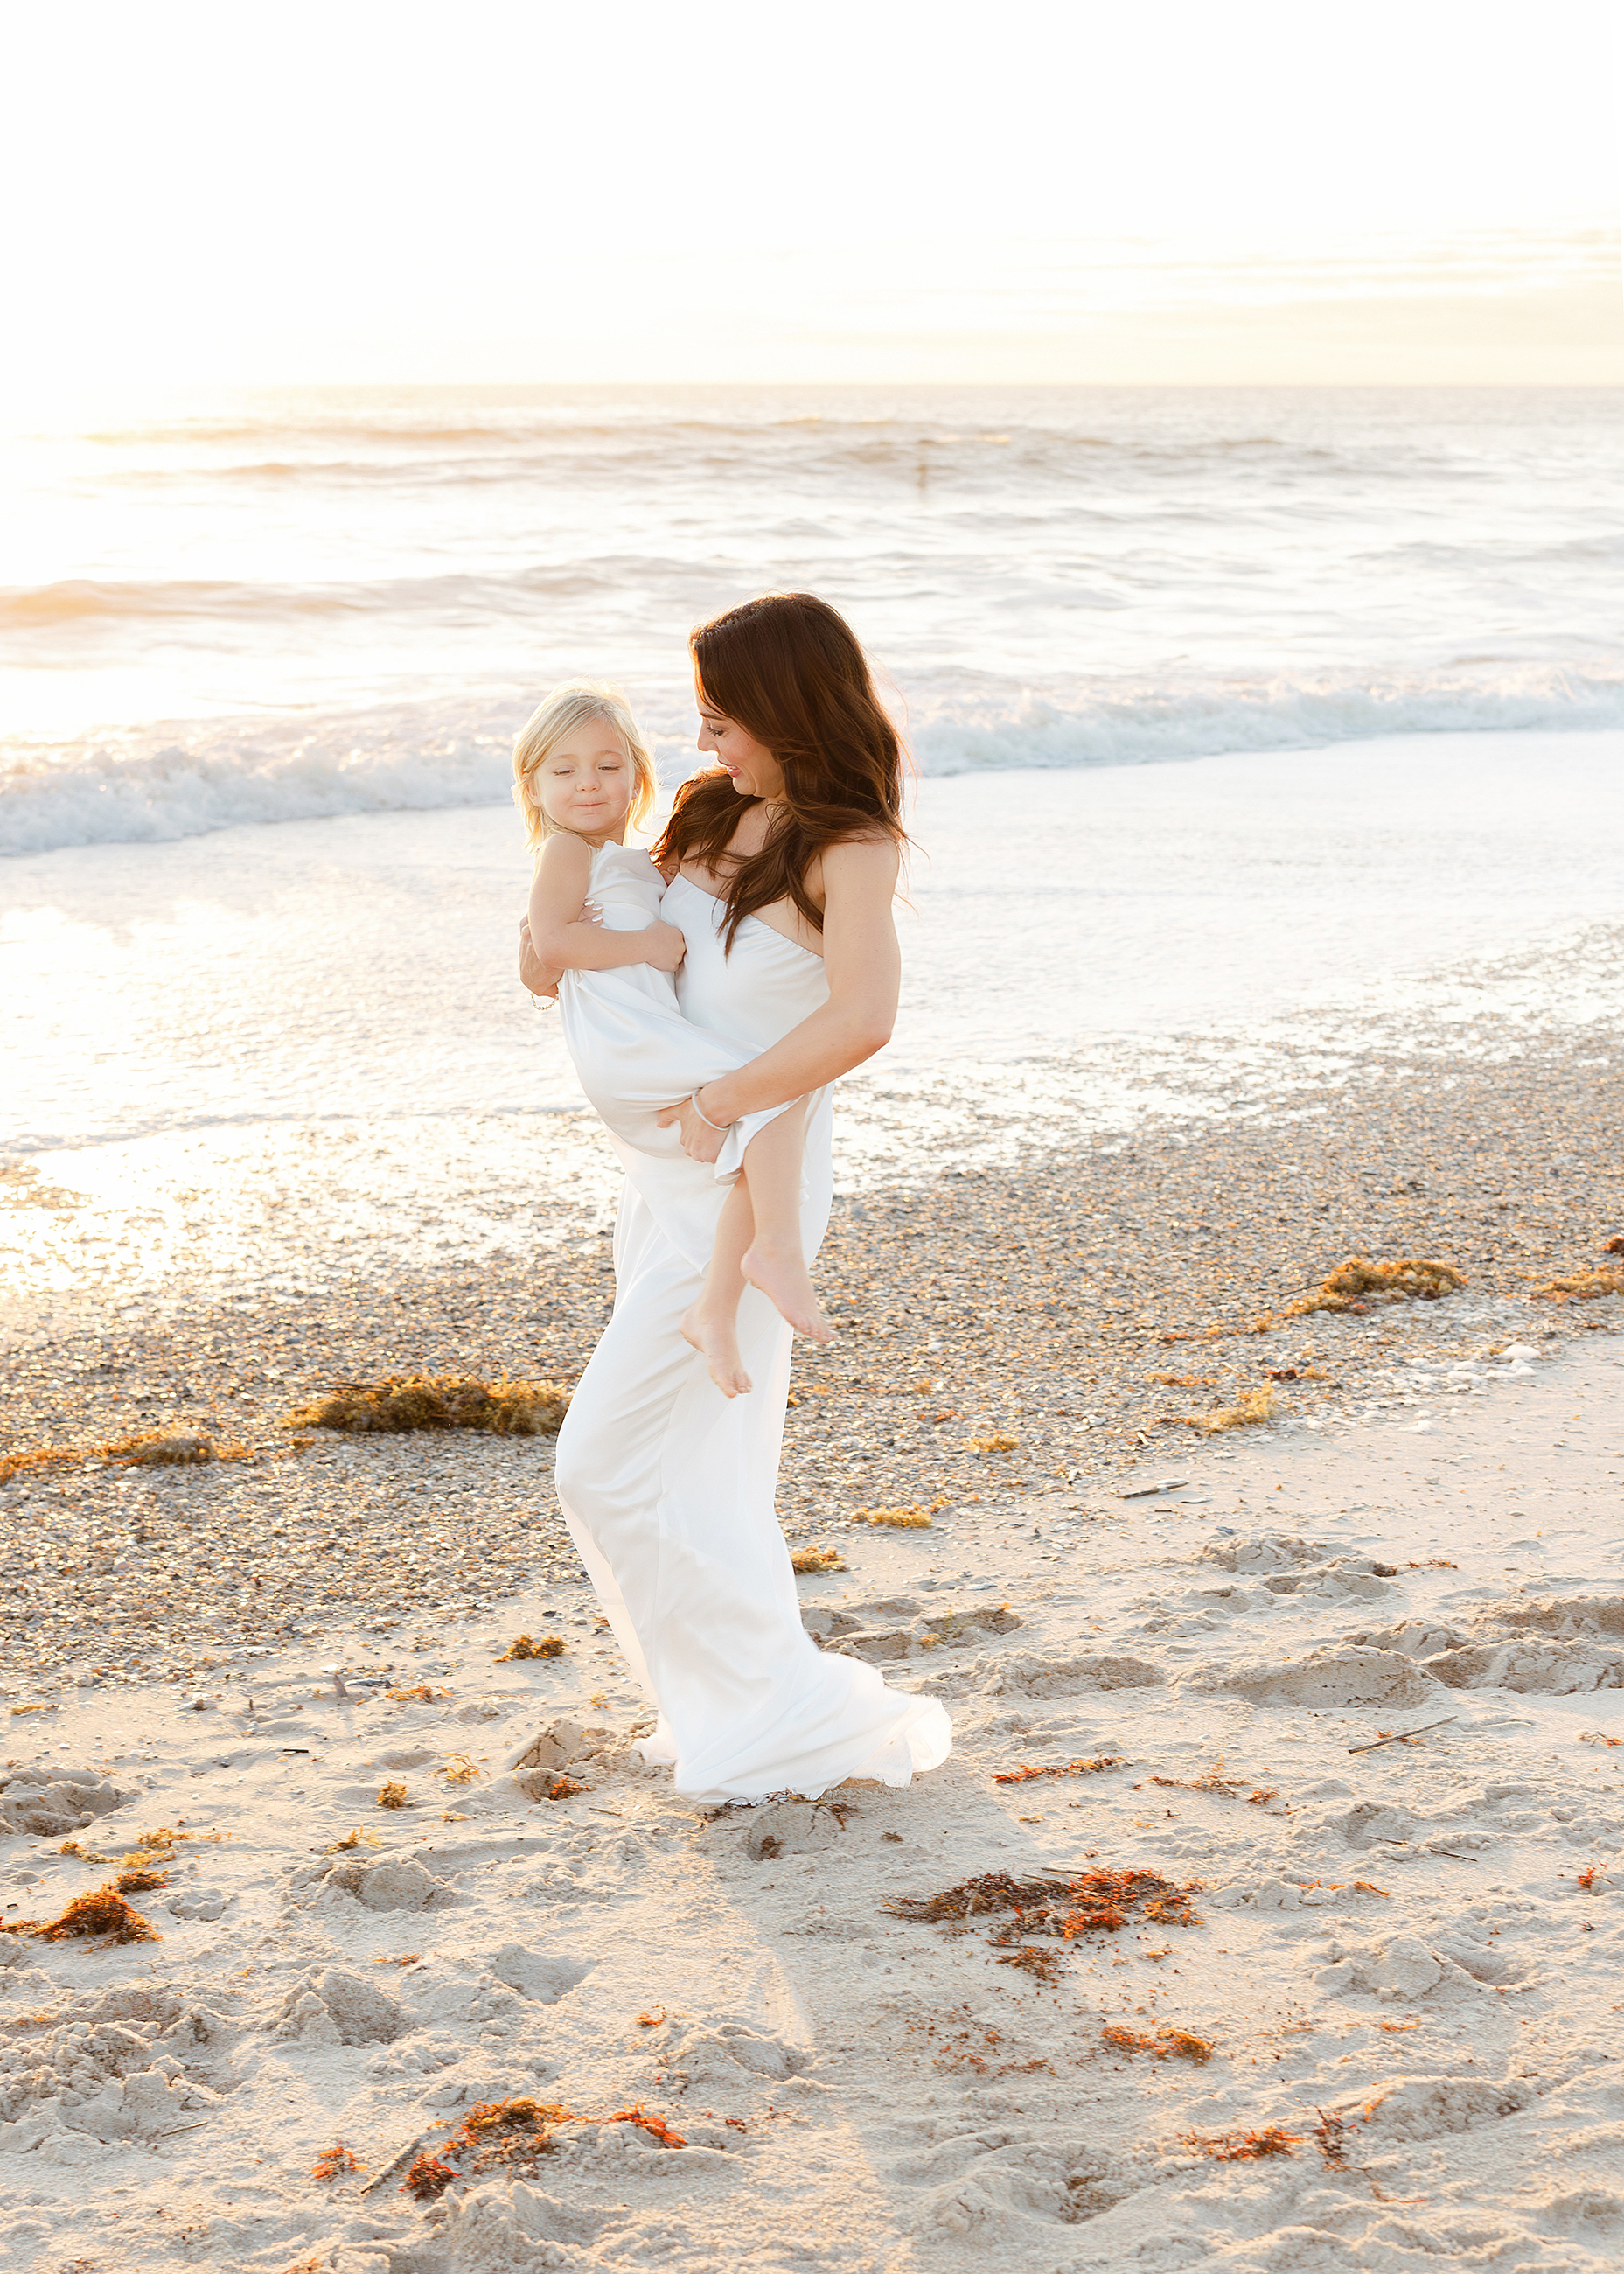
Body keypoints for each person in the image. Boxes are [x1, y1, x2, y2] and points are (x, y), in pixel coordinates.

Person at [519, 592, 951, 1805]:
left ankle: (781, 1704)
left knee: (600, 1467)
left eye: (723, 720)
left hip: (742, 1182)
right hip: (664, 1182)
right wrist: (540, 937)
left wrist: (720, 1106)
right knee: (700, 1467)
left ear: (783, 707)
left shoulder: (849, 847)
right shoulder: (711, 812)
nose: (704, 745)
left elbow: (861, 1019)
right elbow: (607, 922)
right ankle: (733, 1716)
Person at [513, 679, 830, 1399]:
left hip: (633, 1043)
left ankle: (716, 1306)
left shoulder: (626, 858)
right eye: (563, 771)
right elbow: (554, 948)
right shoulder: (564, 852)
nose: (587, 784)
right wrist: (650, 944)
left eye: (607, 766)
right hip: (625, 1047)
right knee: (776, 1088)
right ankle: (773, 1256)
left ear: (637, 776)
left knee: (763, 1107)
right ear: (532, 788)